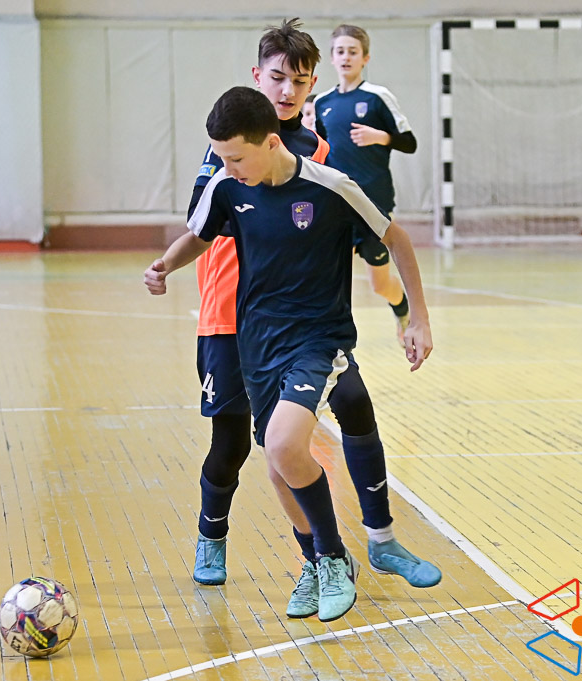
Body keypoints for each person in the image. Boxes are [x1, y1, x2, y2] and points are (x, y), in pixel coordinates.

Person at [146, 85, 437, 622]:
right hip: (257, 345)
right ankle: (315, 562)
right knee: (279, 465)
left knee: (284, 442)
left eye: (236, 157)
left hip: (317, 340)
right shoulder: (228, 186)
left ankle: (335, 557)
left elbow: (395, 238)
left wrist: (417, 317)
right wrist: (165, 265)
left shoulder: (331, 186)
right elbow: (199, 236)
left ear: (271, 142)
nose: (226, 168)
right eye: (221, 157)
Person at [314, 24, 418, 344]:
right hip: (337, 204)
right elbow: (320, 149)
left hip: (374, 201)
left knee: (379, 284)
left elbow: (409, 142)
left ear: (365, 58)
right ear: (332, 57)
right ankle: (331, 339)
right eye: (340, 51)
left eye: (353, 52)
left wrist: (381, 137)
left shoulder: (377, 97)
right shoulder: (322, 103)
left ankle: (401, 308)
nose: (346, 57)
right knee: (331, 276)